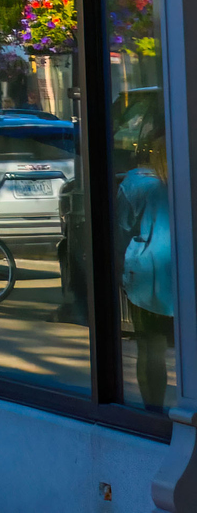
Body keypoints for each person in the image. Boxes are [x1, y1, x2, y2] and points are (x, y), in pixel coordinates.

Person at [120, 130, 176, 412]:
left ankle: (153, 411)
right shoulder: (183, 180)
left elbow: (121, 226)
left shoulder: (136, 184)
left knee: (151, 349)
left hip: (147, 281)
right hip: (181, 277)